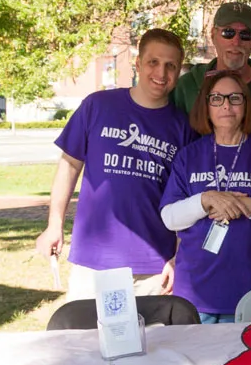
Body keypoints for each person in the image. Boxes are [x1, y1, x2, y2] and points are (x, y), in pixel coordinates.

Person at [35, 28, 194, 300]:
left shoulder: (183, 127)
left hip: (155, 267)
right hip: (94, 261)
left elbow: (186, 200)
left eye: (171, 66)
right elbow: (69, 166)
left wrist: (177, 256)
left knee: (152, 330)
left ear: (179, 71)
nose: (161, 73)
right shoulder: (98, 106)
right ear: (138, 64)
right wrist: (54, 224)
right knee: (85, 328)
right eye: (153, 62)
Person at [161, 70, 251, 323]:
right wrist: (206, 200)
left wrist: (247, 205)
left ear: (246, 105)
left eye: (235, 98)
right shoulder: (189, 156)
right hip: (195, 292)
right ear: (206, 106)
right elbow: (170, 218)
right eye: (217, 98)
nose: (226, 105)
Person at [173, 2, 251, 142]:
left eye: (245, 34)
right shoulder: (187, 87)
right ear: (213, 35)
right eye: (228, 33)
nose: (236, 42)